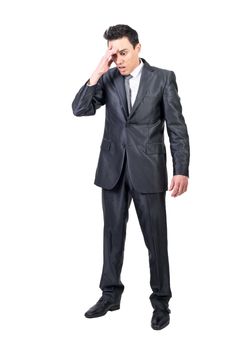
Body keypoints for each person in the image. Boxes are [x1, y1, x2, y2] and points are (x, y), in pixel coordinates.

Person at [72, 24, 190, 330]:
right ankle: (110, 294)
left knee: (156, 239)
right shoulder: (109, 77)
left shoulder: (163, 78)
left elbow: (177, 129)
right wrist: (98, 71)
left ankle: (161, 302)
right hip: (112, 170)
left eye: (123, 52)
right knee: (112, 236)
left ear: (138, 48)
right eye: (113, 54)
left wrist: (181, 169)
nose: (119, 59)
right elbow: (80, 109)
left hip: (148, 170)